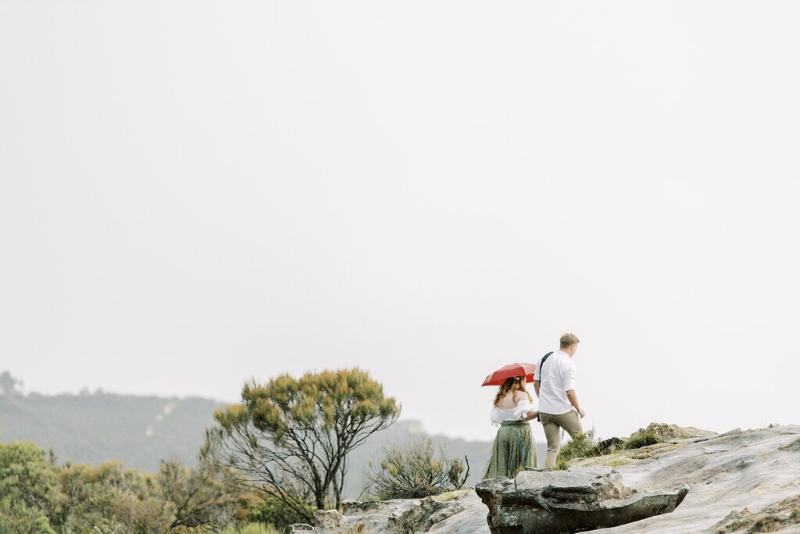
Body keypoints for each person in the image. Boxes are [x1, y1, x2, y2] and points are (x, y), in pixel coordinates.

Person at [534, 333, 585, 469]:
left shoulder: (544, 359)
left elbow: (536, 383)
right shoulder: (568, 364)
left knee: (552, 448)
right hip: (562, 410)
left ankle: (548, 476)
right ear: (572, 346)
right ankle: (581, 470)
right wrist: (579, 409)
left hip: (544, 410)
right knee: (581, 441)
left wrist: (543, 399)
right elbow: (569, 392)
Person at [481, 375, 539, 479]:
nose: (526, 381)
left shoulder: (500, 397)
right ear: (519, 380)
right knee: (521, 465)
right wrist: (540, 412)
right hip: (519, 432)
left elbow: (498, 418)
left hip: (503, 433)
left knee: (503, 464)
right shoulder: (521, 395)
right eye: (524, 378)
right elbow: (525, 416)